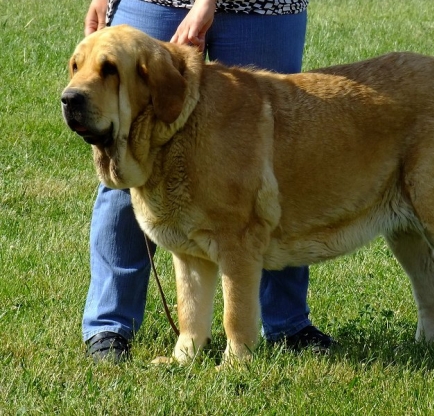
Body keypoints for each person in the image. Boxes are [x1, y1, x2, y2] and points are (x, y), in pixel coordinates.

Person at [82, 0, 332, 362]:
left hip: (260, 8)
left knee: (282, 158)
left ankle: (287, 323)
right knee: (128, 153)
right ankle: (110, 325)